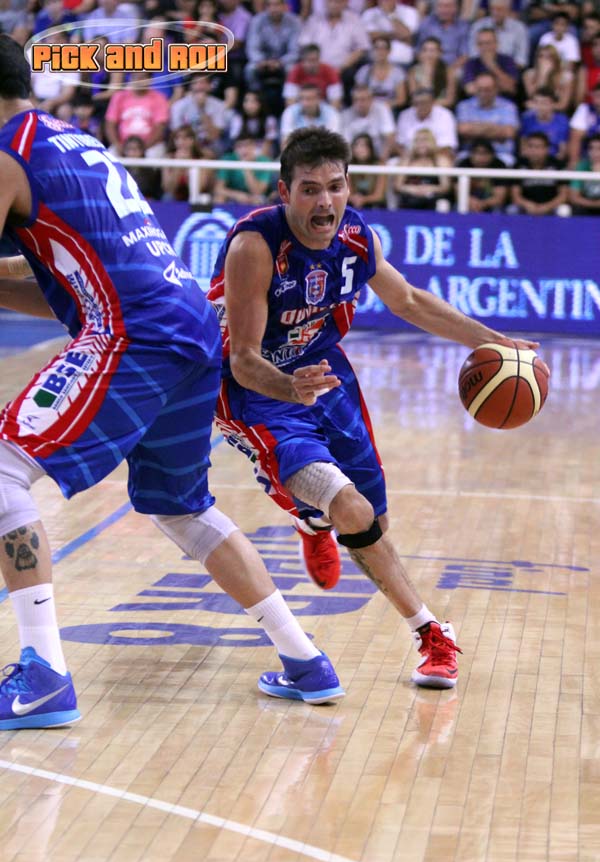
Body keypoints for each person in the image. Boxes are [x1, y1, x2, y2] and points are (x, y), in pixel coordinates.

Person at [0, 35, 345, 730]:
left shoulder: (5, 154)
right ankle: (305, 660)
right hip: (186, 325)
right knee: (180, 507)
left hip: (137, 333)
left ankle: (43, 675)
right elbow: (66, 282)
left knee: (2, 468)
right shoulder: (68, 140)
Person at [207, 125, 542, 692]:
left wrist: (493, 341)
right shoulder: (255, 247)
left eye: (335, 187)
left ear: (349, 185)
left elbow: (407, 300)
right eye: (310, 189)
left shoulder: (357, 238)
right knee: (350, 506)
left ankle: (311, 518)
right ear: (285, 192)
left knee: (375, 521)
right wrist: (289, 387)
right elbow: (242, 359)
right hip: (256, 392)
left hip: (325, 371)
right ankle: (431, 633)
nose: (325, 202)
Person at [510, 131, 569, 216]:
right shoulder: (518, 165)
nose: (533, 150)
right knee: (512, 209)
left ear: (547, 149)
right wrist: (527, 205)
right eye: (530, 146)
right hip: (526, 206)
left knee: (564, 210)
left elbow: (563, 195)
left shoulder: (558, 165)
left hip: (551, 206)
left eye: (538, 147)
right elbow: (515, 196)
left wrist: (547, 207)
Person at [457, 137, 508, 212]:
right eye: (477, 153)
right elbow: (458, 193)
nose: (481, 157)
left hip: (491, 205)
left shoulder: (499, 166)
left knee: (500, 210)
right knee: (458, 206)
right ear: (471, 154)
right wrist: (472, 202)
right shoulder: (464, 165)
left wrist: (483, 204)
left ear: (492, 155)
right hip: (469, 203)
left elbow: (499, 198)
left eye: (485, 153)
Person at [569, 133, 600, 214]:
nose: (595, 152)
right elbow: (573, 197)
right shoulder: (581, 166)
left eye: (599, 148)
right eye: (591, 148)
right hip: (585, 208)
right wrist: (595, 204)